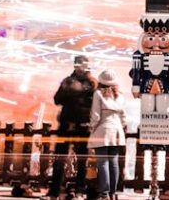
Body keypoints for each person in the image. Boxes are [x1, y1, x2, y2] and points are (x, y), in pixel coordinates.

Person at [48, 54, 97, 199]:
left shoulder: (91, 83)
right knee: (60, 158)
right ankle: (55, 191)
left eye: (84, 64)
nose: (82, 67)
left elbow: (96, 104)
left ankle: (79, 191)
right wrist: (72, 94)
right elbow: (57, 99)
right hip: (69, 123)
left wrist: (73, 94)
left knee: (81, 160)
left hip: (82, 124)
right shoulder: (69, 81)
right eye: (79, 64)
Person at [88, 71, 126, 200]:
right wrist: (121, 127)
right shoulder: (120, 96)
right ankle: (113, 193)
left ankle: (104, 193)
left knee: (102, 162)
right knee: (114, 163)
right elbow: (123, 117)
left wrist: (91, 127)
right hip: (117, 131)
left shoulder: (98, 94)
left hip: (102, 131)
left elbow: (96, 116)